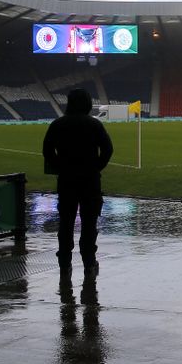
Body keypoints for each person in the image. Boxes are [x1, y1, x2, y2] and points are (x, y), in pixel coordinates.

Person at [43, 88, 113, 271]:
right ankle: (89, 261)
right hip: (90, 181)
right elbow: (108, 149)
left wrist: (60, 167)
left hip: (66, 181)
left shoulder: (57, 124)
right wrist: (96, 167)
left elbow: (47, 151)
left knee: (66, 223)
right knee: (89, 223)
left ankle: (64, 263)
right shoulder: (94, 124)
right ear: (88, 104)